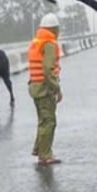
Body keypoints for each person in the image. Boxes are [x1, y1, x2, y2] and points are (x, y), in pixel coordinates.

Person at [28, 13, 63, 166]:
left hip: (35, 87)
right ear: (54, 29)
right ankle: (45, 154)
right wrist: (57, 89)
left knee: (43, 121)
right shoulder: (49, 44)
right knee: (49, 121)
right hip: (44, 88)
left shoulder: (36, 42)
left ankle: (39, 149)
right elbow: (48, 70)